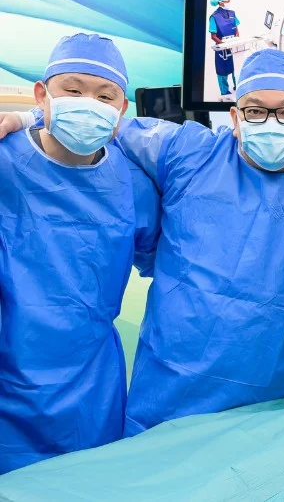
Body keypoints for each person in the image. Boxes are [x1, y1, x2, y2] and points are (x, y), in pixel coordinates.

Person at [0, 49, 284, 434]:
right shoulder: (188, 152)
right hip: (171, 402)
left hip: (281, 407)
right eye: (256, 110)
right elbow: (102, 119)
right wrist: (26, 117)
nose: (271, 121)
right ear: (235, 117)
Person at [0, 34, 160, 474]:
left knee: (88, 482)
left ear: (121, 111)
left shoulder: (133, 185)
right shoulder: (4, 160)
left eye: (104, 95)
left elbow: (169, 268)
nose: (87, 102)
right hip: (8, 377)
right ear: (42, 95)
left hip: (91, 387)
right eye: (72, 91)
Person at [208, 0, 240, 98]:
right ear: (221, 2)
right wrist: (223, 44)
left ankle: (238, 86)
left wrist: (236, 40)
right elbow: (213, 36)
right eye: (227, 1)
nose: (229, 3)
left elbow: (236, 28)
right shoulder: (214, 17)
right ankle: (225, 92)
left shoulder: (232, 13)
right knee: (222, 70)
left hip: (234, 44)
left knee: (236, 65)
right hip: (222, 47)